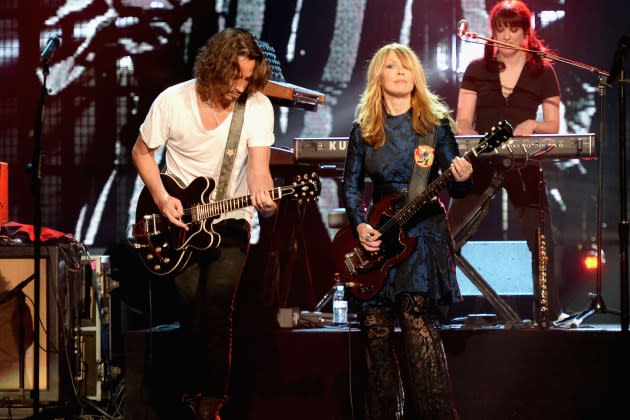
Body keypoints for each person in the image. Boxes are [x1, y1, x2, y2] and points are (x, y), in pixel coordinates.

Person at [131, 27, 277, 420]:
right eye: (235, 77)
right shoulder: (173, 101)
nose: (240, 86)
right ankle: (188, 396)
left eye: (248, 78)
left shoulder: (258, 106)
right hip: (179, 220)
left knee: (218, 307)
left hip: (231, 219)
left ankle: (212, 404)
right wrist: (162, 198)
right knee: (190, 308)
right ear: (214, 67)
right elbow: (142, 152)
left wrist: (266, 199)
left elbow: (259, 171)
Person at [342, 43, 472, 420]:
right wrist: (360, 223)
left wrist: (464, 177)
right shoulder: (364, 129)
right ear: (378, 76)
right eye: (392, 67)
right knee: (375, 330)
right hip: (381, 233)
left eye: (406, 67)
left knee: (417, 322)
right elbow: (350, 186)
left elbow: (456, 185)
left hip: (422, 231)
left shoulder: (435, 126)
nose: (400, 73)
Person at [448, 0, 563, 325]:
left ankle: (546, 313)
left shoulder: (543, 71)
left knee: (541, 239)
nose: (507, 36)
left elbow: (552, 126)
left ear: (527, 32)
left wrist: (533, 126)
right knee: (446, 235)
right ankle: (435, 307)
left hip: (524, 163)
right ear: (492, 30)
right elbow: (463, 123)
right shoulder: (476, 69)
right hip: (481, 162)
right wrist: (476, 151)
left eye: (514, 29)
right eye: (501, 29)